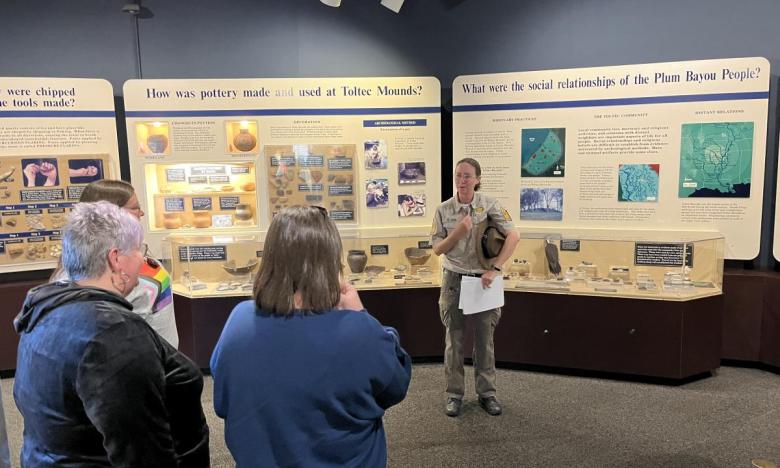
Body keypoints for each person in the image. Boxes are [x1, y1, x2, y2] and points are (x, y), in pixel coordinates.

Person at [211, 205, 412, 467]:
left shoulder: (239, 322)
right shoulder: (358, 332)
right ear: (331, 262)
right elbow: (395, 385)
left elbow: (223, 401)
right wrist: (361, 315)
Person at [13, 201, 209, 467]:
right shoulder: (115, 334)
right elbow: (141, 451)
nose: (143, 259)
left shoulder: (45, 310)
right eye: (139, 249)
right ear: (115, 259)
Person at [431, 157, 519, 417]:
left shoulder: (489, 204)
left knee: (484, 340)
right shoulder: (443, 210)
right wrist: (458, 232)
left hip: (483, 281)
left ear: (478, 179)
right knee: (454, 340)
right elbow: (437, 248)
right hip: (454, 279)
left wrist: (496, 268)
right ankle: (454, 394)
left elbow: (513, 235)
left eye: (467, 176)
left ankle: (487, 393)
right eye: (458, 175)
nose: (462, 180)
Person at [50, 179, 179, 348]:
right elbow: (165, 342)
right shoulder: (148, 276)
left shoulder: (65, 272)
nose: (141, 213)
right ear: (113, 214)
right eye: (135, 207)